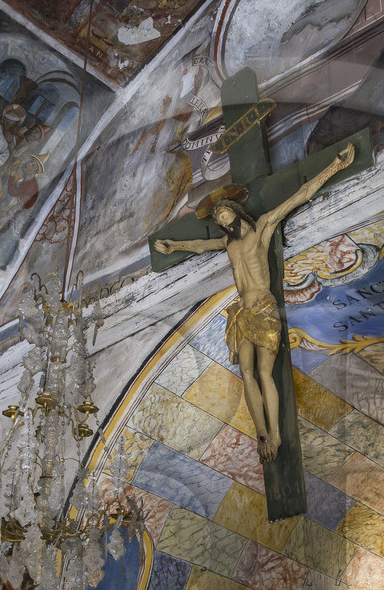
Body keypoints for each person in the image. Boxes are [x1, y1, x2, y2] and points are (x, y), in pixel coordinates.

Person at [152, 140, 355, 462]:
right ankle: (262, 434)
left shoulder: (261, 228)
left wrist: (335, 166)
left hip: (263, 306)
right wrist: (173, 246)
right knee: (245, 372)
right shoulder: (228, 245)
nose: (223, 221)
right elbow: (200, 246)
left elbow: (299, 196)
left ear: (236, 211)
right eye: (219, 220)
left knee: (264, 371)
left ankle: (275, 433)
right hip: (241, 311)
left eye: (224, 214)